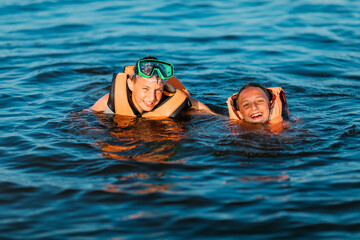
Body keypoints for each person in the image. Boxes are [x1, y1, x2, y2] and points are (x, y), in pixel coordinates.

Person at [91, 56, 214, 118]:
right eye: (145, 88)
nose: (151, 98)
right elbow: (80, 119)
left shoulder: (171, 100)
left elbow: (210, 114)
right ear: (130, 84)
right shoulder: (108, 103)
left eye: (158, 90)